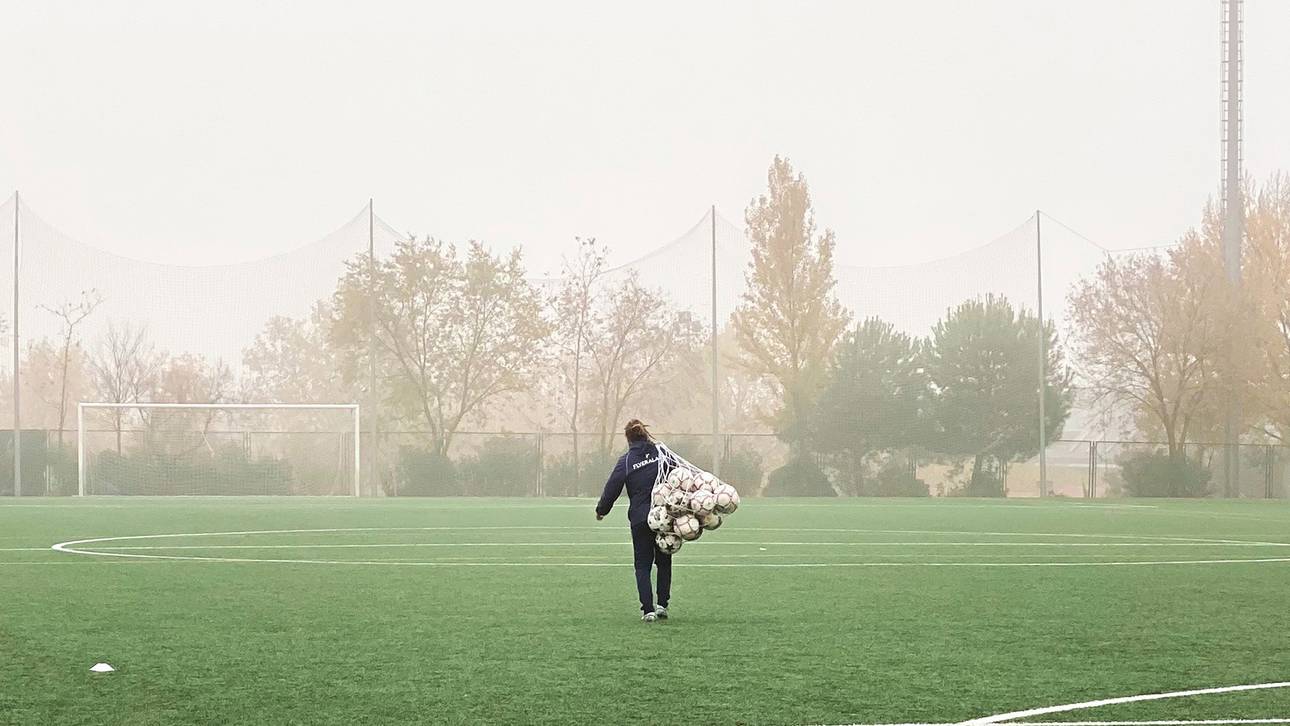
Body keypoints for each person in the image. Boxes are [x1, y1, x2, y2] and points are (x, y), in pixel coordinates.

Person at [595, 419, 671, 622]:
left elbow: (612, 487)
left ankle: (648, 610)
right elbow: (679, 475)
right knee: (664, 561)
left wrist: (602, 510)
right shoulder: (661, 453)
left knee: (642, 565)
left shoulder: (627, 461)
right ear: (645, 434)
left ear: (628, 439)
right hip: (663, 516)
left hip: (640, 518)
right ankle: (662, 605)